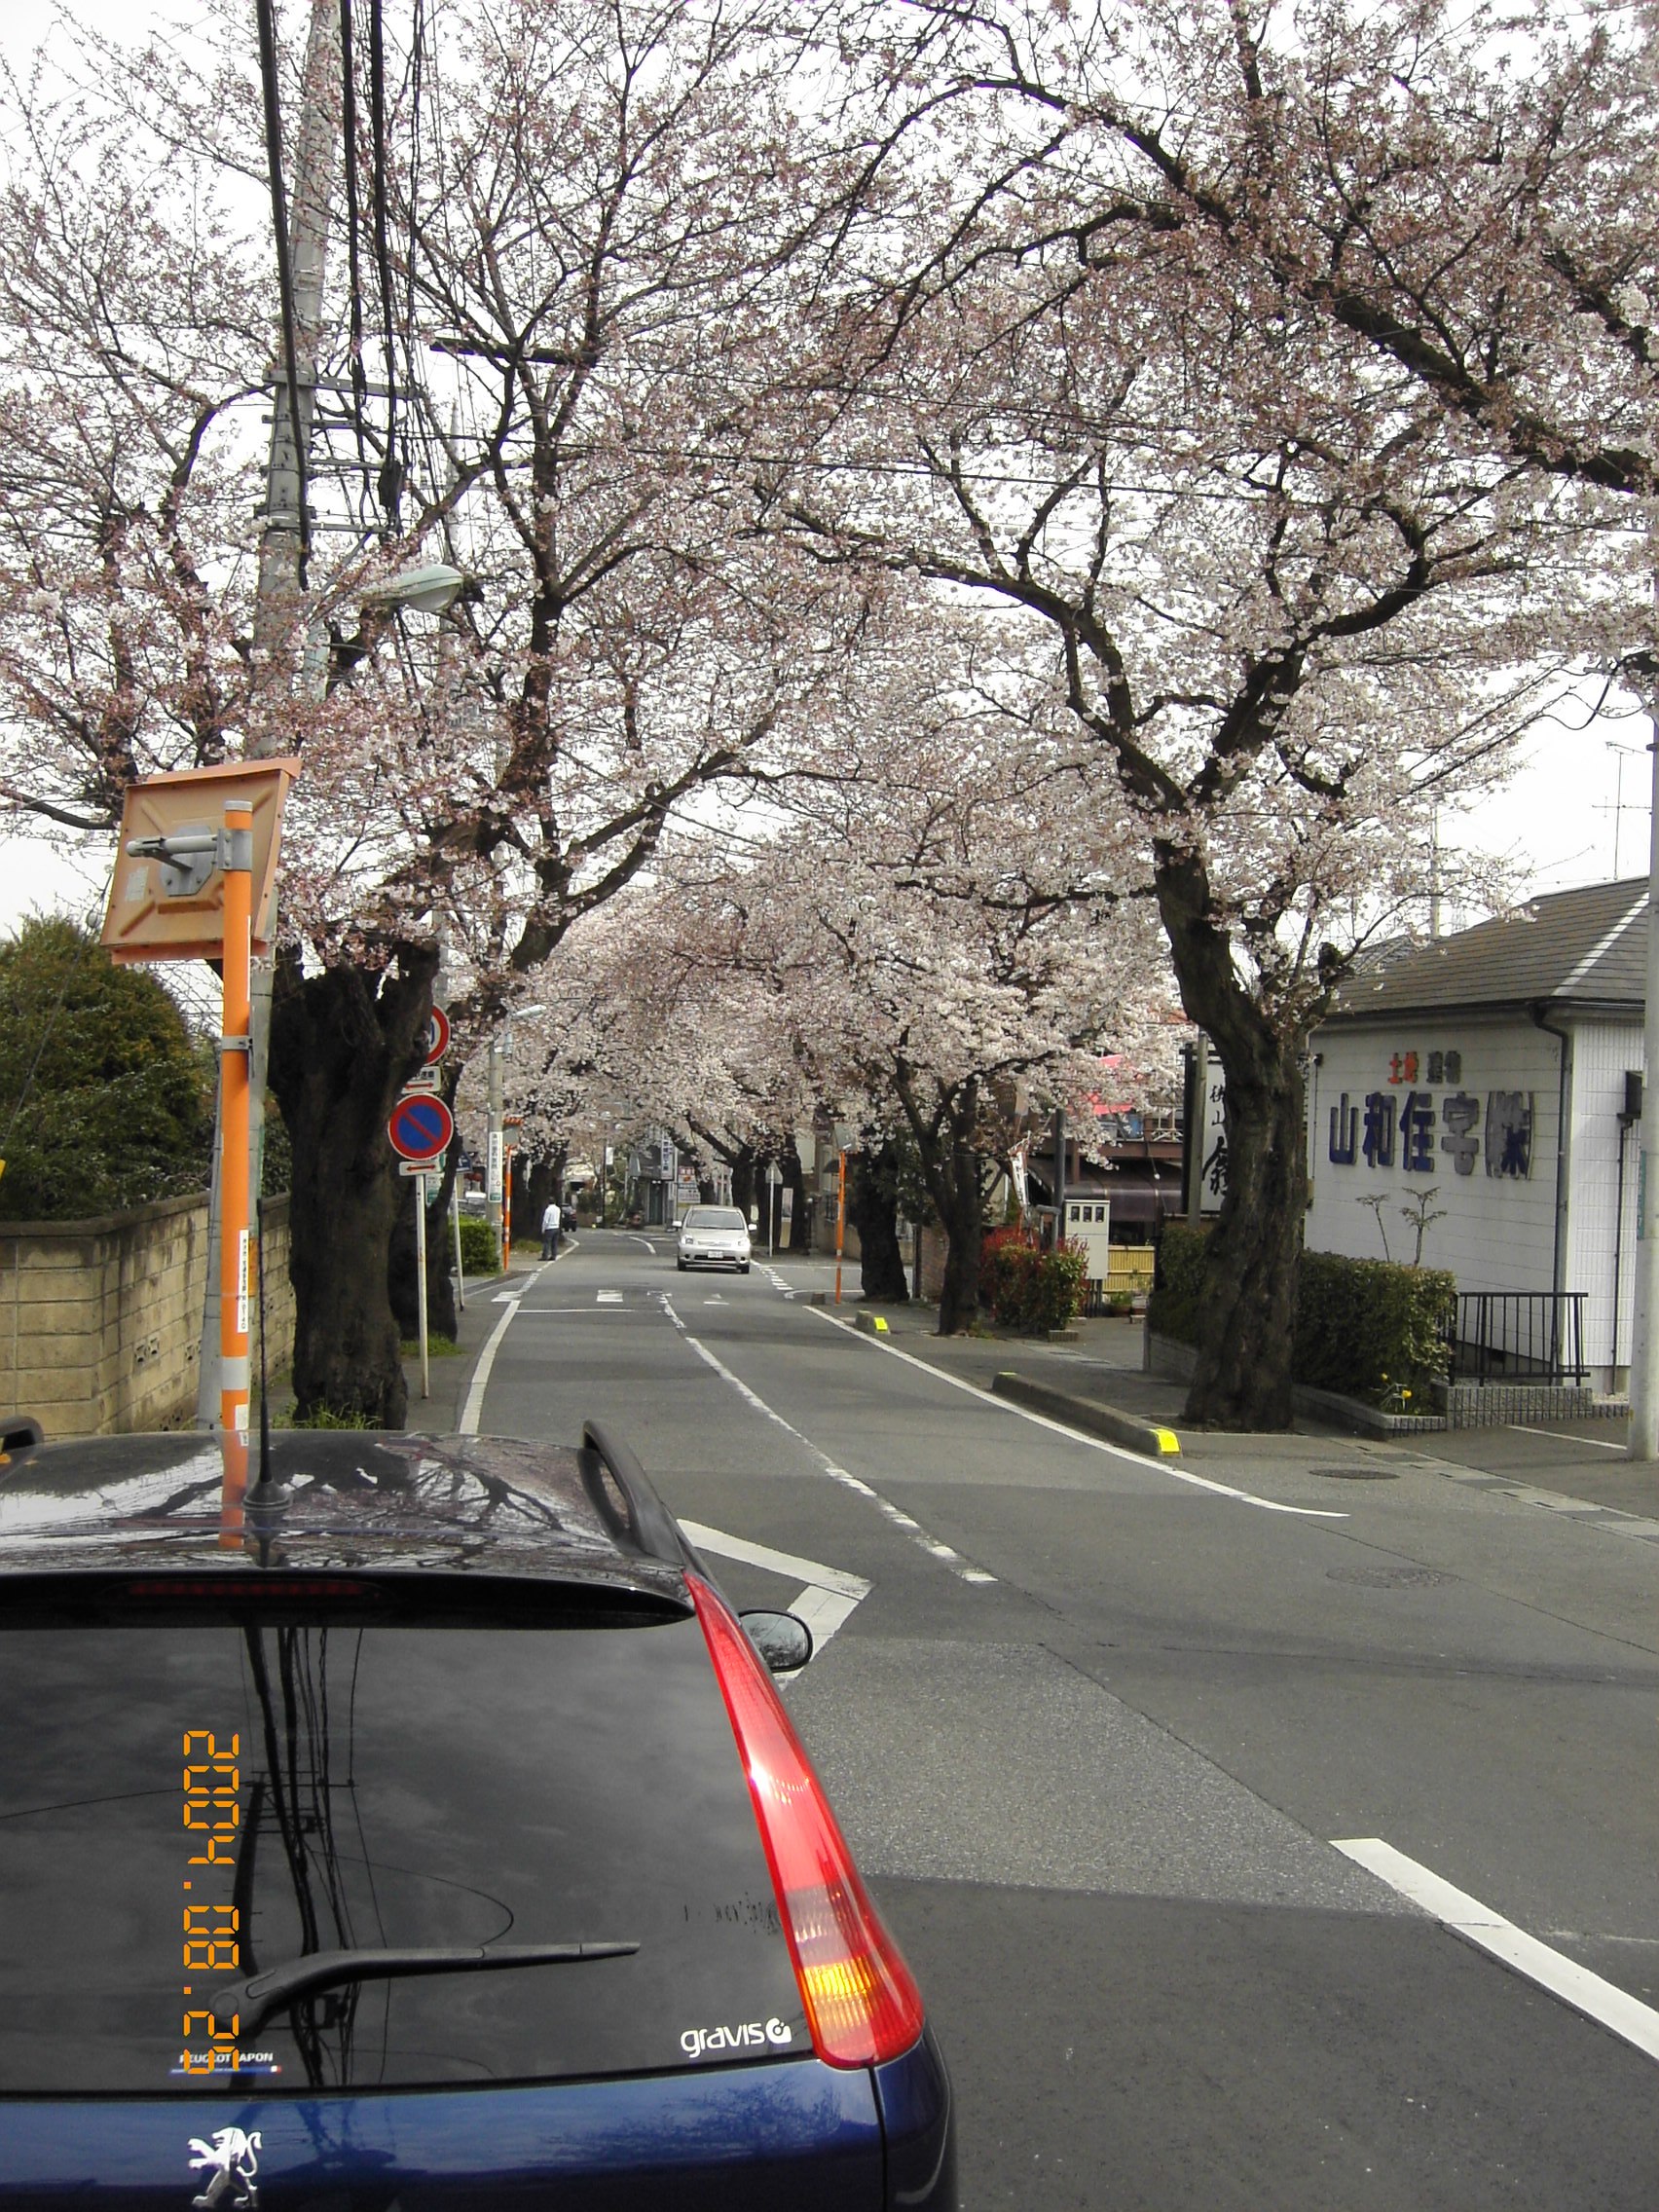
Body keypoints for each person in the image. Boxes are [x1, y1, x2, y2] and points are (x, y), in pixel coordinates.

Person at [540, 1196, 562, 1260]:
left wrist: (543, 1229)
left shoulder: (548, 1210)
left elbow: (545, 1221)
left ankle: (545, 1256)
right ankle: (553, 1255)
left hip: (549, 1228)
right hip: (556, 1227)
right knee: (554, 1243)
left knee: (547, 1243)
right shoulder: (558, 1209)